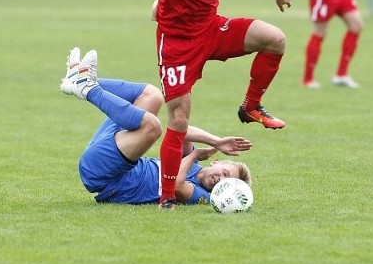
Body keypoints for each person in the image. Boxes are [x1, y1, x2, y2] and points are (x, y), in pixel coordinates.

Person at [83, 0, 290, 208]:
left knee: (275, 39)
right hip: (177, 43)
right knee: (179, 119)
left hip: (210, 30)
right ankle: (166, 197)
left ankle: (251, 106)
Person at [59, 47, 252, 205]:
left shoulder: (200, 195)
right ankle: (78, 80)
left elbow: (175, 185)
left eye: (226, 183)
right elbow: (181, 130)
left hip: (104, 174)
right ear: (216, 162)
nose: (220, 179)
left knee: (152, 126)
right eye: (225, 173)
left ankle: (89, 89)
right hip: (111, 153)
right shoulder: (191, 163)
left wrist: (194, 154)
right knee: (152, 95)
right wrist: (216, 141)